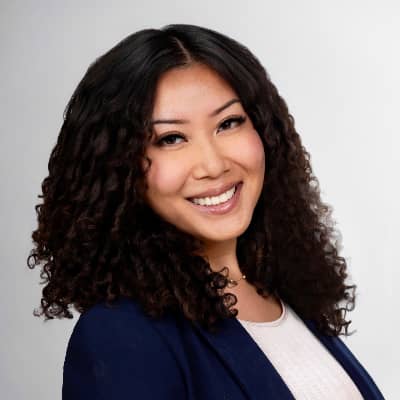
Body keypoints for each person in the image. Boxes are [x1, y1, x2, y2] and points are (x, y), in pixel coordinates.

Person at [27, 24, 384, 399]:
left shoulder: (286, 299)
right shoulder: (121, 336)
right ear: (117, 167)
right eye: (171, 139)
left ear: (264, 130)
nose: (213, 165)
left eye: (228, 123)